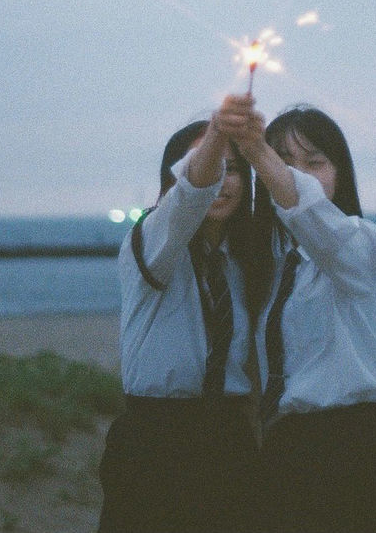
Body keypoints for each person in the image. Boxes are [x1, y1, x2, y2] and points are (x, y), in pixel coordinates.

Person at [232, 103, 376, 533]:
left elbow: (319, 226)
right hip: (284, 447)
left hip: (354, 448)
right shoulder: (270, 262)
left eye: (315, 162)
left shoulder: (363, 243)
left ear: (341, 172)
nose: (300, 176)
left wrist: (260, 154)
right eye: (285, 164)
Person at [97, 94, 267, 533]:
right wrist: (216, 133)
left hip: (229, 438)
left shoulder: (241, 261)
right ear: (171, 182)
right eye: (211, 166)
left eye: (234, 170)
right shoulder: (152, 240)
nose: (221, 181)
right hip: (156, 438)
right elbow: (190, 197)